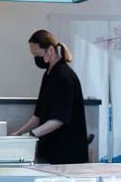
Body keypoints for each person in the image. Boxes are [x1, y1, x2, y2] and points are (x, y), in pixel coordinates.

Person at [14, 29, 90, 164]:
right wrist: (18, 134)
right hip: (50, 151)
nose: (36, 59)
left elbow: (59, 119)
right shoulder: (49, 74)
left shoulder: (63, 76)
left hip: (67, 154)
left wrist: (30, 135)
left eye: (37, 54)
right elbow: (38, 116)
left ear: (50, 50)